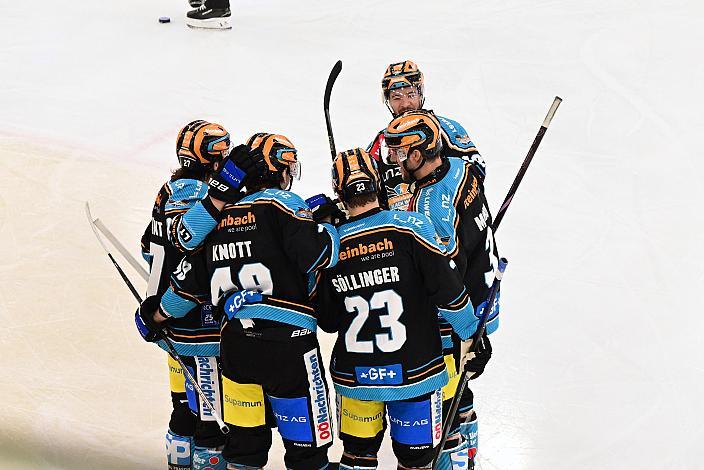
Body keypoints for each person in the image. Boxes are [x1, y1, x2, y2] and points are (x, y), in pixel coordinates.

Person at [137, 132, 340, 469]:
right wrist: (329, 223)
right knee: (307, 453)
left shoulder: (216, 217)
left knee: (244, 450)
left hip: (235, 347)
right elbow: (322, 255)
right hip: (288, 346)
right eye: (288, 166)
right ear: (277, 168)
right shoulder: (285, 205)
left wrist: (156, 316)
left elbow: (187, 282)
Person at [316, 148, 480, 469]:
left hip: (356, 376)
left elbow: (329, 320)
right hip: (415, 370)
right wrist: (473, 334)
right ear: (378, 183)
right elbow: (449, 292)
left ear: (339, 192)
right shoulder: (411, 226)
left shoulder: (334, 245)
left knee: (357, 456)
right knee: (417, 462)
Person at [383, 110, 500, 469]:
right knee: (462, 393)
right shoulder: (461, 168)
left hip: (458, 316)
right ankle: (470, 457)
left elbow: (442, 278)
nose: (394, 160)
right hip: (485, 293)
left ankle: (456, 460)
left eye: (400, 153)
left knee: (446, 400)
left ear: (418, 155)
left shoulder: (429, 207)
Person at [139, 119, 235, 470]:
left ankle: (179, 462)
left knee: (183, 407)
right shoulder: (199, 195)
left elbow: (148, 247)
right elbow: (192, 248)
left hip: (170, 320)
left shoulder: (167, 189)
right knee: (210, 421)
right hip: (200, 324)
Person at [367, 60, 486, 211]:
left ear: (420, 94)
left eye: (410, 95)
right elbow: (367, 192)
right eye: (397, 97)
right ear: (388, 101)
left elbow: (476, 170)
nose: (405, 104)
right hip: (402, 230)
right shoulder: (381, 142)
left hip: (444, 221)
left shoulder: (444, 128)